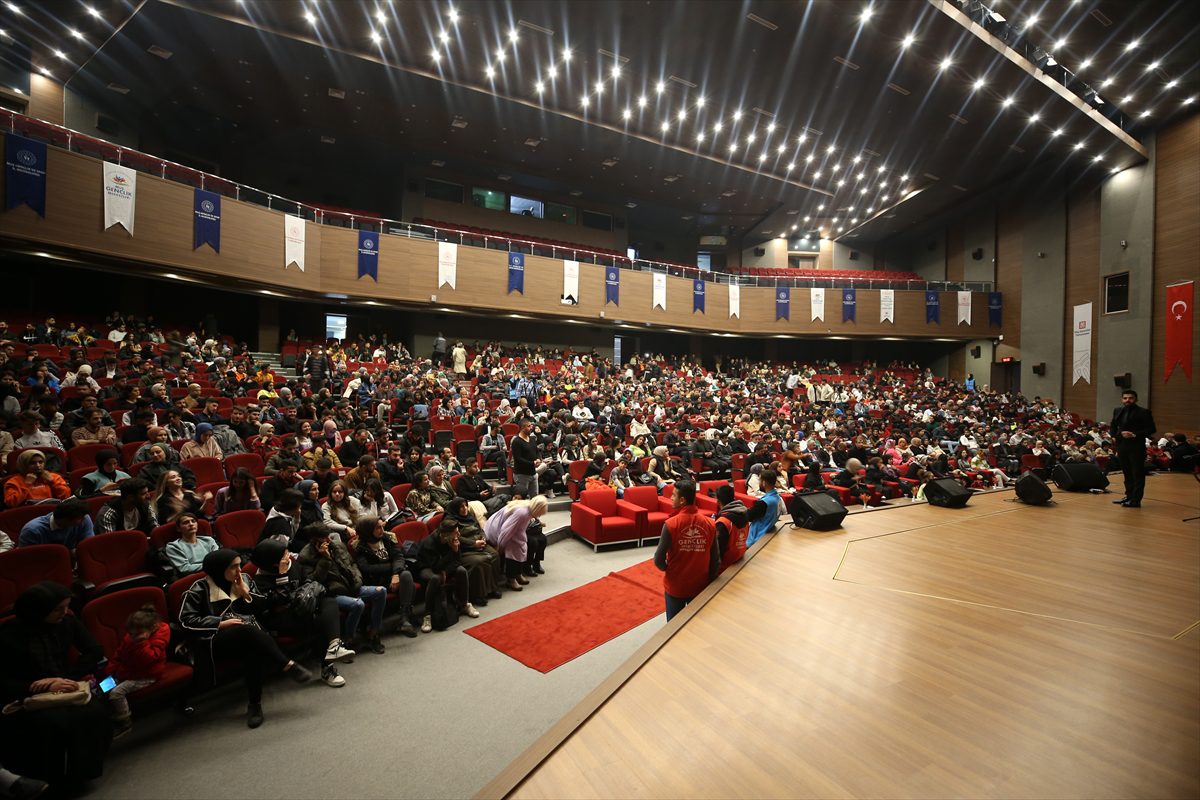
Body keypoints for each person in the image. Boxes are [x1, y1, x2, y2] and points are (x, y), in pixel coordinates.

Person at [179, 549, 315, 728]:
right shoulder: (198, 589)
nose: (239, 570)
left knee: (251, 648)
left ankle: (255, 705)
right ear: (219, 569)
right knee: (246, 632)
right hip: (215, 640)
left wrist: (246, 594)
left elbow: (262, 607)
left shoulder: (244, 579)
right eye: (233, 567)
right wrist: (220, 623)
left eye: (239, 565)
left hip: (249, 635)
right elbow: (185, 621)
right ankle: (287, 664)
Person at [0, 582, 113, 789]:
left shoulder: (67, 621)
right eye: (58, 609)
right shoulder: (9, 634)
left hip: (65, 684)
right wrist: (39, 686)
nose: (65, 612)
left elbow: (94, 650)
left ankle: (82, 773)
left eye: (66, 606)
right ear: (39, 611)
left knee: (94, 711)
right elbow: (3, 679)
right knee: (55, 722)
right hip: (28, 693)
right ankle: (53, 780)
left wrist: (65, 678)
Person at [249, 539, 355, 679]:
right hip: (284, 619)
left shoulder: (292, 565)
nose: (288, 556)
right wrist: (282, 576)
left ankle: (335, 645)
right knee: (321, 623)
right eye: (284, 554)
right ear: (273, 562)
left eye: (287, 552)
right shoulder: (260, 581)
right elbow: (279, 602)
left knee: (328, 601)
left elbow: (306, 580)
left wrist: (307, 594)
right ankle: (327, 669)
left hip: (304, 607)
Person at [298, 526, 387, 653]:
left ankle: (373, 633)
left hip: (353, 585)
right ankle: (348, 641)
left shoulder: (338, 546)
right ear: (314, 541)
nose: (328, 540)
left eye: (328, 536)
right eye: (324, 538)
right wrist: (325, 559)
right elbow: (313, 581)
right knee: (358, 604)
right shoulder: (305, 556)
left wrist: (358, 579)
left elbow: (352, 563)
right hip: (332, 593)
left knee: (381, 591)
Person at [653, 481, 718, 621]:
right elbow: (715, 559)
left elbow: (658, 560)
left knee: (674, 626)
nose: (671, 498)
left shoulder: (670, 524)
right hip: (700, 586)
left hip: (676, 586)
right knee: (696, 625)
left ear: (682, 500)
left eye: (673, 495)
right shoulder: (710, 524)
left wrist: (668, 569)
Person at [104, 604, 170, 739]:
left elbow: (150, 658)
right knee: (103, 687)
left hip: (147, 675)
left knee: (116, 693)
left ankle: (124, 722)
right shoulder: (133, 635)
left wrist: (141, 642)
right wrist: (110, 672)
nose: (133, 637)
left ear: (152, 628)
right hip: (128, 672)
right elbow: (119, 654)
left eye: (137, 634)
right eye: (131, 634)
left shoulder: (158, 635)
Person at [352, 516, 418, 639]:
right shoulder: (359, 546)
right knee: (410, 584)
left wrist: (395, 574)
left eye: (382, 527)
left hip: (393, 576)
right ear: (368, 530)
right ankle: (404, 619)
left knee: (406, 575)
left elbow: (399, 557)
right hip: (376, 581)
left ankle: (404, 619)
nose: (382, 530)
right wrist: (392, 568)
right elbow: (367, 568)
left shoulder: (387, 538)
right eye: (378, 528)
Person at [415, 518, 477, 634]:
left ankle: (464, 604)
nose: (459, 535)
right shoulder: (429, 543)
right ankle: (427, 615)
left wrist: (446, 570)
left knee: (461, 571)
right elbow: (435, 567)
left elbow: (458, 561)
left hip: (443, 567)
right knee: (435, 578)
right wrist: (452, 551)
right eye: (456, 532)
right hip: (426, 567)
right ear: (446, 535)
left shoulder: (453, 539)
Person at [484, 495, 549, 592]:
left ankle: (518, 574)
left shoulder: (528, 508)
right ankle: (511, 579)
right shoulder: (522, 513)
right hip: (495, 531)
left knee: (523, 546)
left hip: (504, 529)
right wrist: (500, 546)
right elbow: (505, 531)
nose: (540, 516)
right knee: (514, 550)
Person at [445, 497, 502, 605]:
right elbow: (456, 538)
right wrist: (473, 543)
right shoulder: (449, 521)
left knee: (494, 555)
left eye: (466, 505)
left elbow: (480, 529)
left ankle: (493, 587)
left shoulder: (470, 515)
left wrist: (483, 538)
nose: (465, 508)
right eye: (461, 507)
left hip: (478, 542)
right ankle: (478, 594)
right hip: (464, 549)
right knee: (479, 561)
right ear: (455, 508)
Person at [1110, 389, 1155, 508]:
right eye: (1125, 398)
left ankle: (1136, 500)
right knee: (1126, 472)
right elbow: (1113, 425)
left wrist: (1134, 434)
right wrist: (1115, 435)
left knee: (1137, 473)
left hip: (1136, 446)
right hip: (1122, 445)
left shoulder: (1144, 412)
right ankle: (1128, 496)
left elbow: (1151, 429)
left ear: (1136, 399)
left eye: (1130, 398)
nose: (1127, 400)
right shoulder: (1117, 410)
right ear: (1122, 399)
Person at [17, 500, 94, 552]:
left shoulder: (84, 518)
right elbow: (27, 559)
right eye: (80, 518)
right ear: (65, 519)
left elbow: (89, 547)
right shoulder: (32, 530)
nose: (83, 519)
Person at [4, 450, 71, 508]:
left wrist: (52, 481)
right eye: (32, 463)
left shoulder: (54, 477)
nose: (38, 465)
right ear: (24, 465)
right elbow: (11, 503)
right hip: (27, 514)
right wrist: (26, 484)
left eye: (40, 462)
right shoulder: (14, 481)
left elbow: (66, 497)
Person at [712, 484, 749, 572]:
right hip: (740, 557)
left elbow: (717, 553)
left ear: (718, 502)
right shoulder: (745, 513)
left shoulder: (723, 522)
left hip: (726, 568)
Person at [745, 469, 782, 546]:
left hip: (757, 539)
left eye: (759, 480)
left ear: (764, 482)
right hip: (769, 531)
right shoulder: (778, 498)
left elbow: (749, 516)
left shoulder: (764, 503)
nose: (759, 482)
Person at [511, 419, 539, 499]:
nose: (531, 428)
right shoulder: (516, 441)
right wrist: (532, 463)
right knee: (522, 498)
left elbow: (537, 451)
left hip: (533, 473)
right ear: (522, 428)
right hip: (521, 474)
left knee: (535, 498)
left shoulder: (532, 439)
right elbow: (518, 459)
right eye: (529, 426)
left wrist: (539, 459)